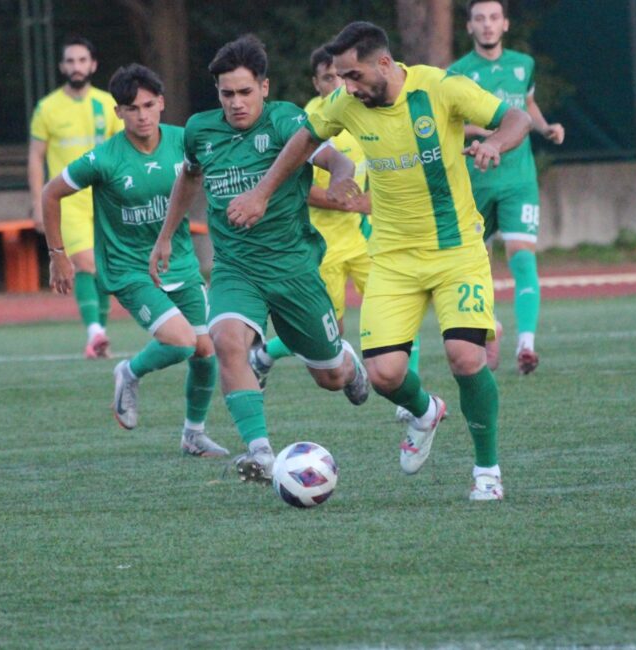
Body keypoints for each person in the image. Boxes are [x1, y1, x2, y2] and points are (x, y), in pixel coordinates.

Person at [227, 22, 531, 501]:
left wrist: (495, 143)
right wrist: (262, 194)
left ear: (384, 64)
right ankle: (426, 411)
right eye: (340, 78)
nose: (346, 86)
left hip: (456, 251)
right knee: (385, 375)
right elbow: (303, 141)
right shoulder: (346, 103)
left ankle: (487, 471)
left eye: (353, 75)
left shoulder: (441, 87)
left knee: (465, 357)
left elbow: (515, 119)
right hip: (391, 255)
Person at [148, 35, 370, 485]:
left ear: (264, 88)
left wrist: (344, 182)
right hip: (235, 267)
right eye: (226, 94)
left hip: (293, 270)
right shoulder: (200, 131)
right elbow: (188, 179)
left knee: (328, 377)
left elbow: (337, 161)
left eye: (245, 92)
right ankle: (262, 453)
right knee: (227, 340)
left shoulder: (288, 121)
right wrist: (166, 237)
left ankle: (347, 363)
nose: (235, 103)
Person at [42, 63, 228, 458]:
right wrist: (58, 255)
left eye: (148, 105)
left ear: (161, 103)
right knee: (181, 343)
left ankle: (193, 435)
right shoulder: (104, 159)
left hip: (180, 264)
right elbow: (50, 193)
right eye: (132, 108)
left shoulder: (185, 141)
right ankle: (128, 371)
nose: (142, 115)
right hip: (130, 269)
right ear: (118, 113)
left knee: (205, 351)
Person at [246, 45, 378, 387]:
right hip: (323, 243)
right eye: (328, 78)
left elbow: (382, 166)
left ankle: (408, 396)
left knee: (391, 312)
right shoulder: (305, 123)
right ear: (316, 83)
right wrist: (343, 202)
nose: (336, 84)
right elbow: (298, 188)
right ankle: (263, 355)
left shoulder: (366, 110)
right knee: (325, 329)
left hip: (367, 237)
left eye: (342, 76)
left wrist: (373, 201)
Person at [449, 0, 565, 374]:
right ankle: (491, 327)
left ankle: (526, 345)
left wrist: (545, 127)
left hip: (518, 179)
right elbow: (449, 125)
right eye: (479, 19)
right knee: (476, 266)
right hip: (477, 180)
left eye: (493, 18)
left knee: (522, 256)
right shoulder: (457, 74)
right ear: (469, 27)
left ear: (505, 24)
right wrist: (481, 132)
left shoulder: (523, 64)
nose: (487, 25)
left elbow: (527, 106)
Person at [29, 35, 124, 359]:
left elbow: (122, 150)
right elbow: (35, 158)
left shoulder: (108, 103)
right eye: (70, 61)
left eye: (82, 60)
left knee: (101, 268)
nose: (76, 66)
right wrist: (37, 205)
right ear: (61, 67)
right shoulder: (47, 108)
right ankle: (95, 332)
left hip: (104, 199)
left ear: (93, 65)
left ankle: (97, 336)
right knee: (85, 262)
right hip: (67, 202)